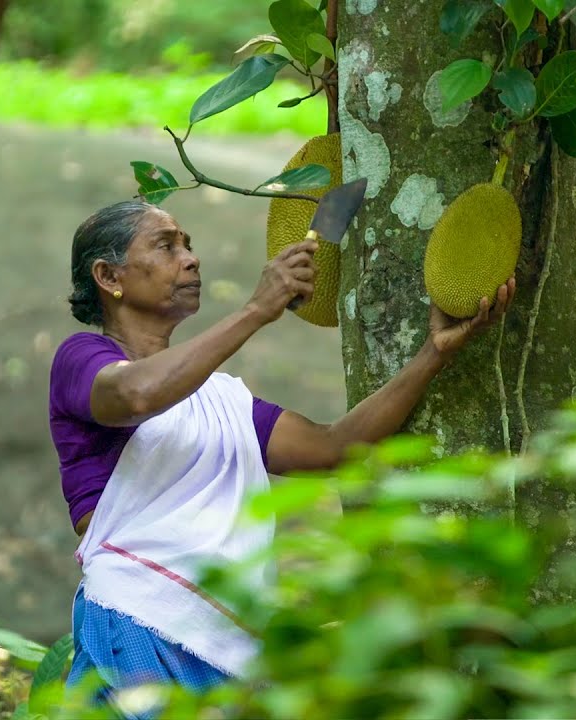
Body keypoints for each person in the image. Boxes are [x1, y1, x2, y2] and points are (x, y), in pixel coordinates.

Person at [49, 199, 515, 710]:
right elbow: (135, 396)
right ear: (107, 276)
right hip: (136, 620)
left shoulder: (224, 399)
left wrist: (435, 353)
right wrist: (255, 311)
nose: (190, 258)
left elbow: (334, 447)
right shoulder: (82, 359)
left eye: (188, 244)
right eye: (166, 245)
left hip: (229, 649)